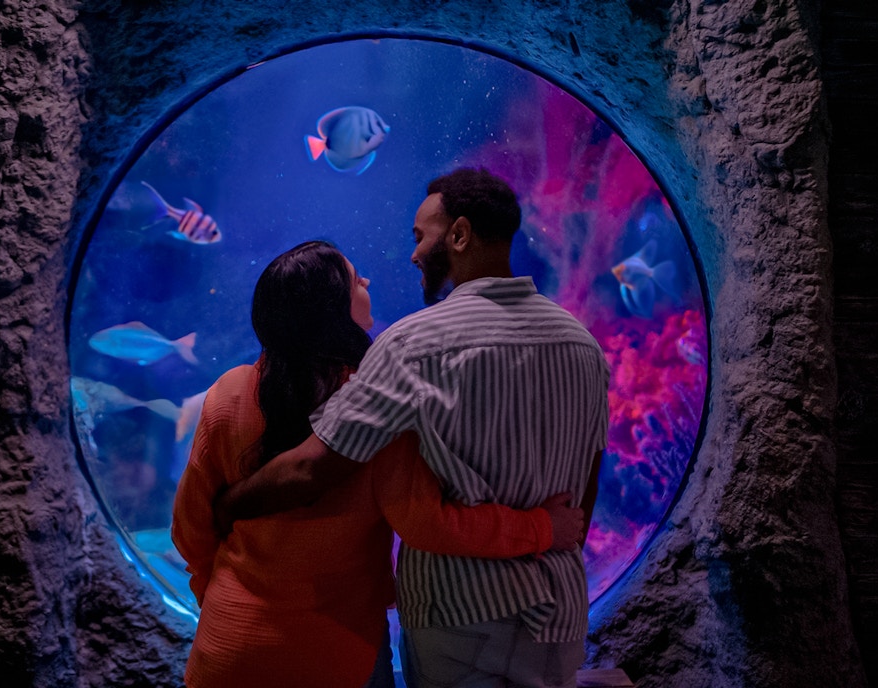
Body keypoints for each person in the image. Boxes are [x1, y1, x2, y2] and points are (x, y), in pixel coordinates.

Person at [215, 168, 610, 687]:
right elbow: (586, 486)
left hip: (459, 617)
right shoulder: (582, 343)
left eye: (421, 236)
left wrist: (231, 502)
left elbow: (314, 467)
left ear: (460, 235)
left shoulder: (414, 344)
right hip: (559, 616)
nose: (413, 254)